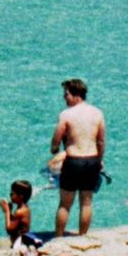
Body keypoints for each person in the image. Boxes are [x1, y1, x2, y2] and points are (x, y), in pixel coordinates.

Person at [52, 78, 106, 236]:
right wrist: (99, 159)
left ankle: (59, 237)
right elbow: (101, 141)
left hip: (74, 161)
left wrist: (54, 148)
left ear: (76, 95)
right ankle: (82, 236)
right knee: (87, 202)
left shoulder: (66, 114)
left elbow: (57, 137)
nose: (64, 97)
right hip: (92, 160)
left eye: (66, 94)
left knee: (65, 204)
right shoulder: (97, 113)